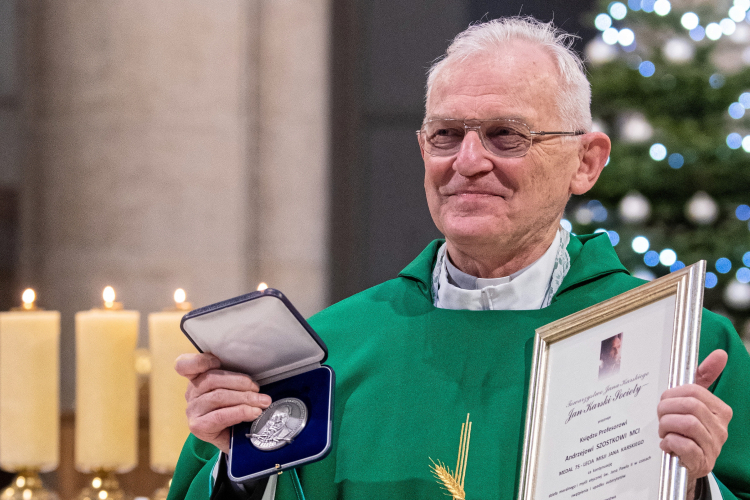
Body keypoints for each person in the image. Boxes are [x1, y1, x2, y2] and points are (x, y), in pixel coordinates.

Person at [168, 17, 749, 500]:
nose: (468, 161)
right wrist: (238, 470)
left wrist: (696, 486)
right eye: (446, 134)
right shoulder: (326, 356)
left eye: (506, 135)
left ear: (586, 162)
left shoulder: (680, 344)